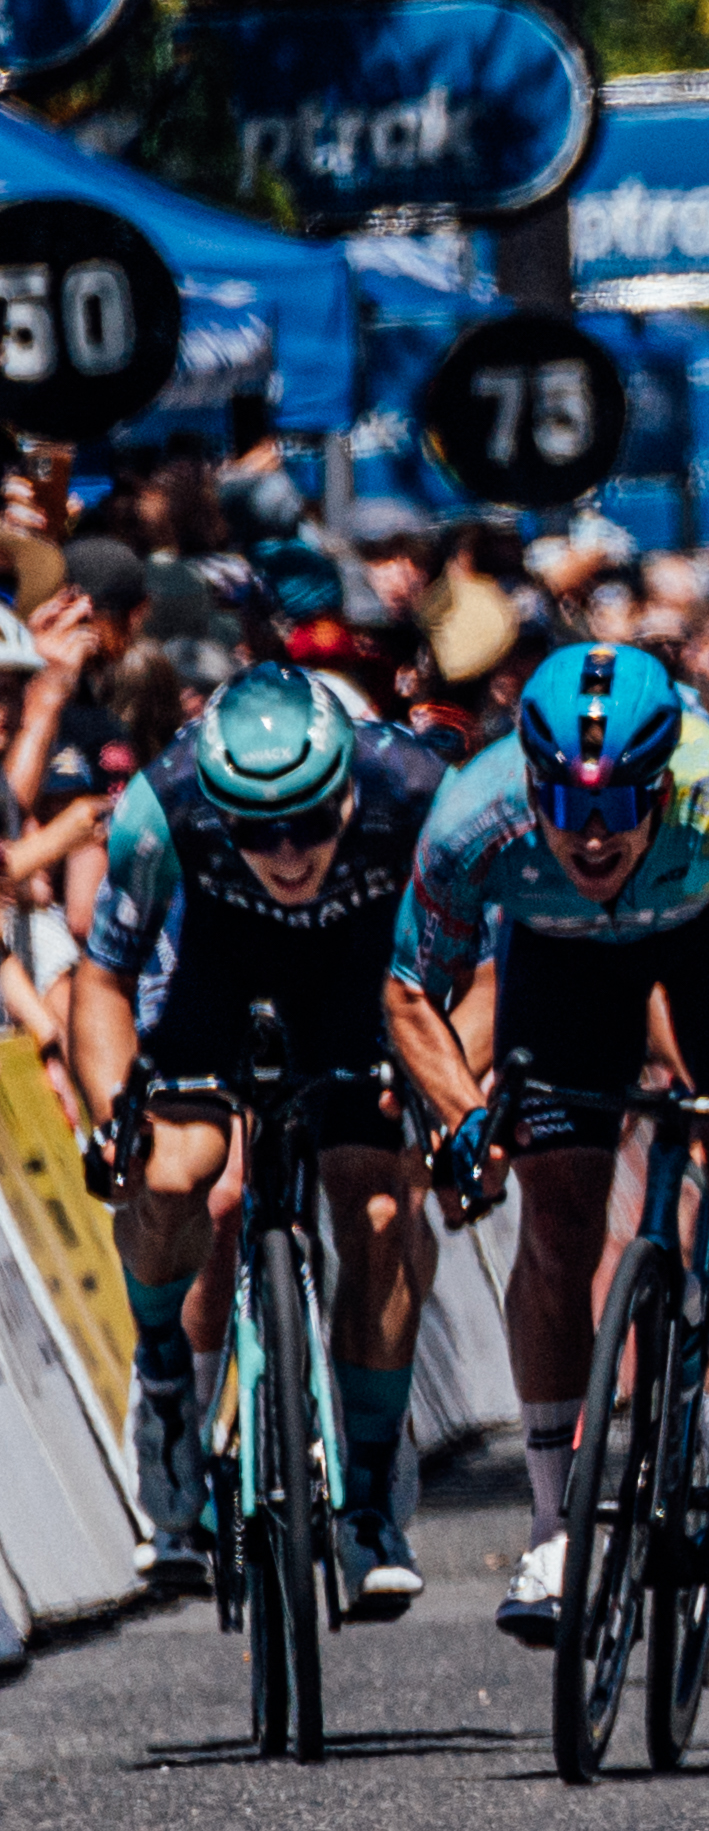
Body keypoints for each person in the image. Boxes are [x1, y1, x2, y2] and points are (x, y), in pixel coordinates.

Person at [384, 644, 709, 1639]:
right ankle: (554, 1524)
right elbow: (409, 993)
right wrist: (462, 1116)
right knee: (559, 1225)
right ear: (531, 787)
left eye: (619, 809)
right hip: (560, 967)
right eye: (567, 809)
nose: (595, 837)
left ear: (665, 783)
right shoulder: (472, 820)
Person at [72, 669, 448, 1604]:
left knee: (376, 1210)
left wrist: (452, 1101)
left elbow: (477, 959)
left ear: (346, 787)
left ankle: (367, 1495)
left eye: (310, 825)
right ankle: (166, 1381)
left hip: (361, 992)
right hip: (214, 982)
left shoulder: (415, 790)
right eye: (255, 830)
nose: (284, 853)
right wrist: (116, 1111)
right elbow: (104, 980)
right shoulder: (164, 805)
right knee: (178, 1177)